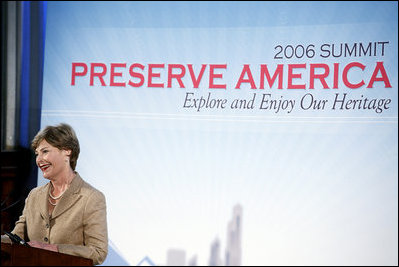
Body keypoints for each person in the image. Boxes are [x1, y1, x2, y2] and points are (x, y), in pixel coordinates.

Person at [3, 123, 108, 265]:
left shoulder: (91, 198)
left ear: (67, 151)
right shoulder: (34, 195)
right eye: (37, 154)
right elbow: (16, 237)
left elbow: (98, 252)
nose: (39, 160)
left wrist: (54, 249)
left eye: (45, 151)